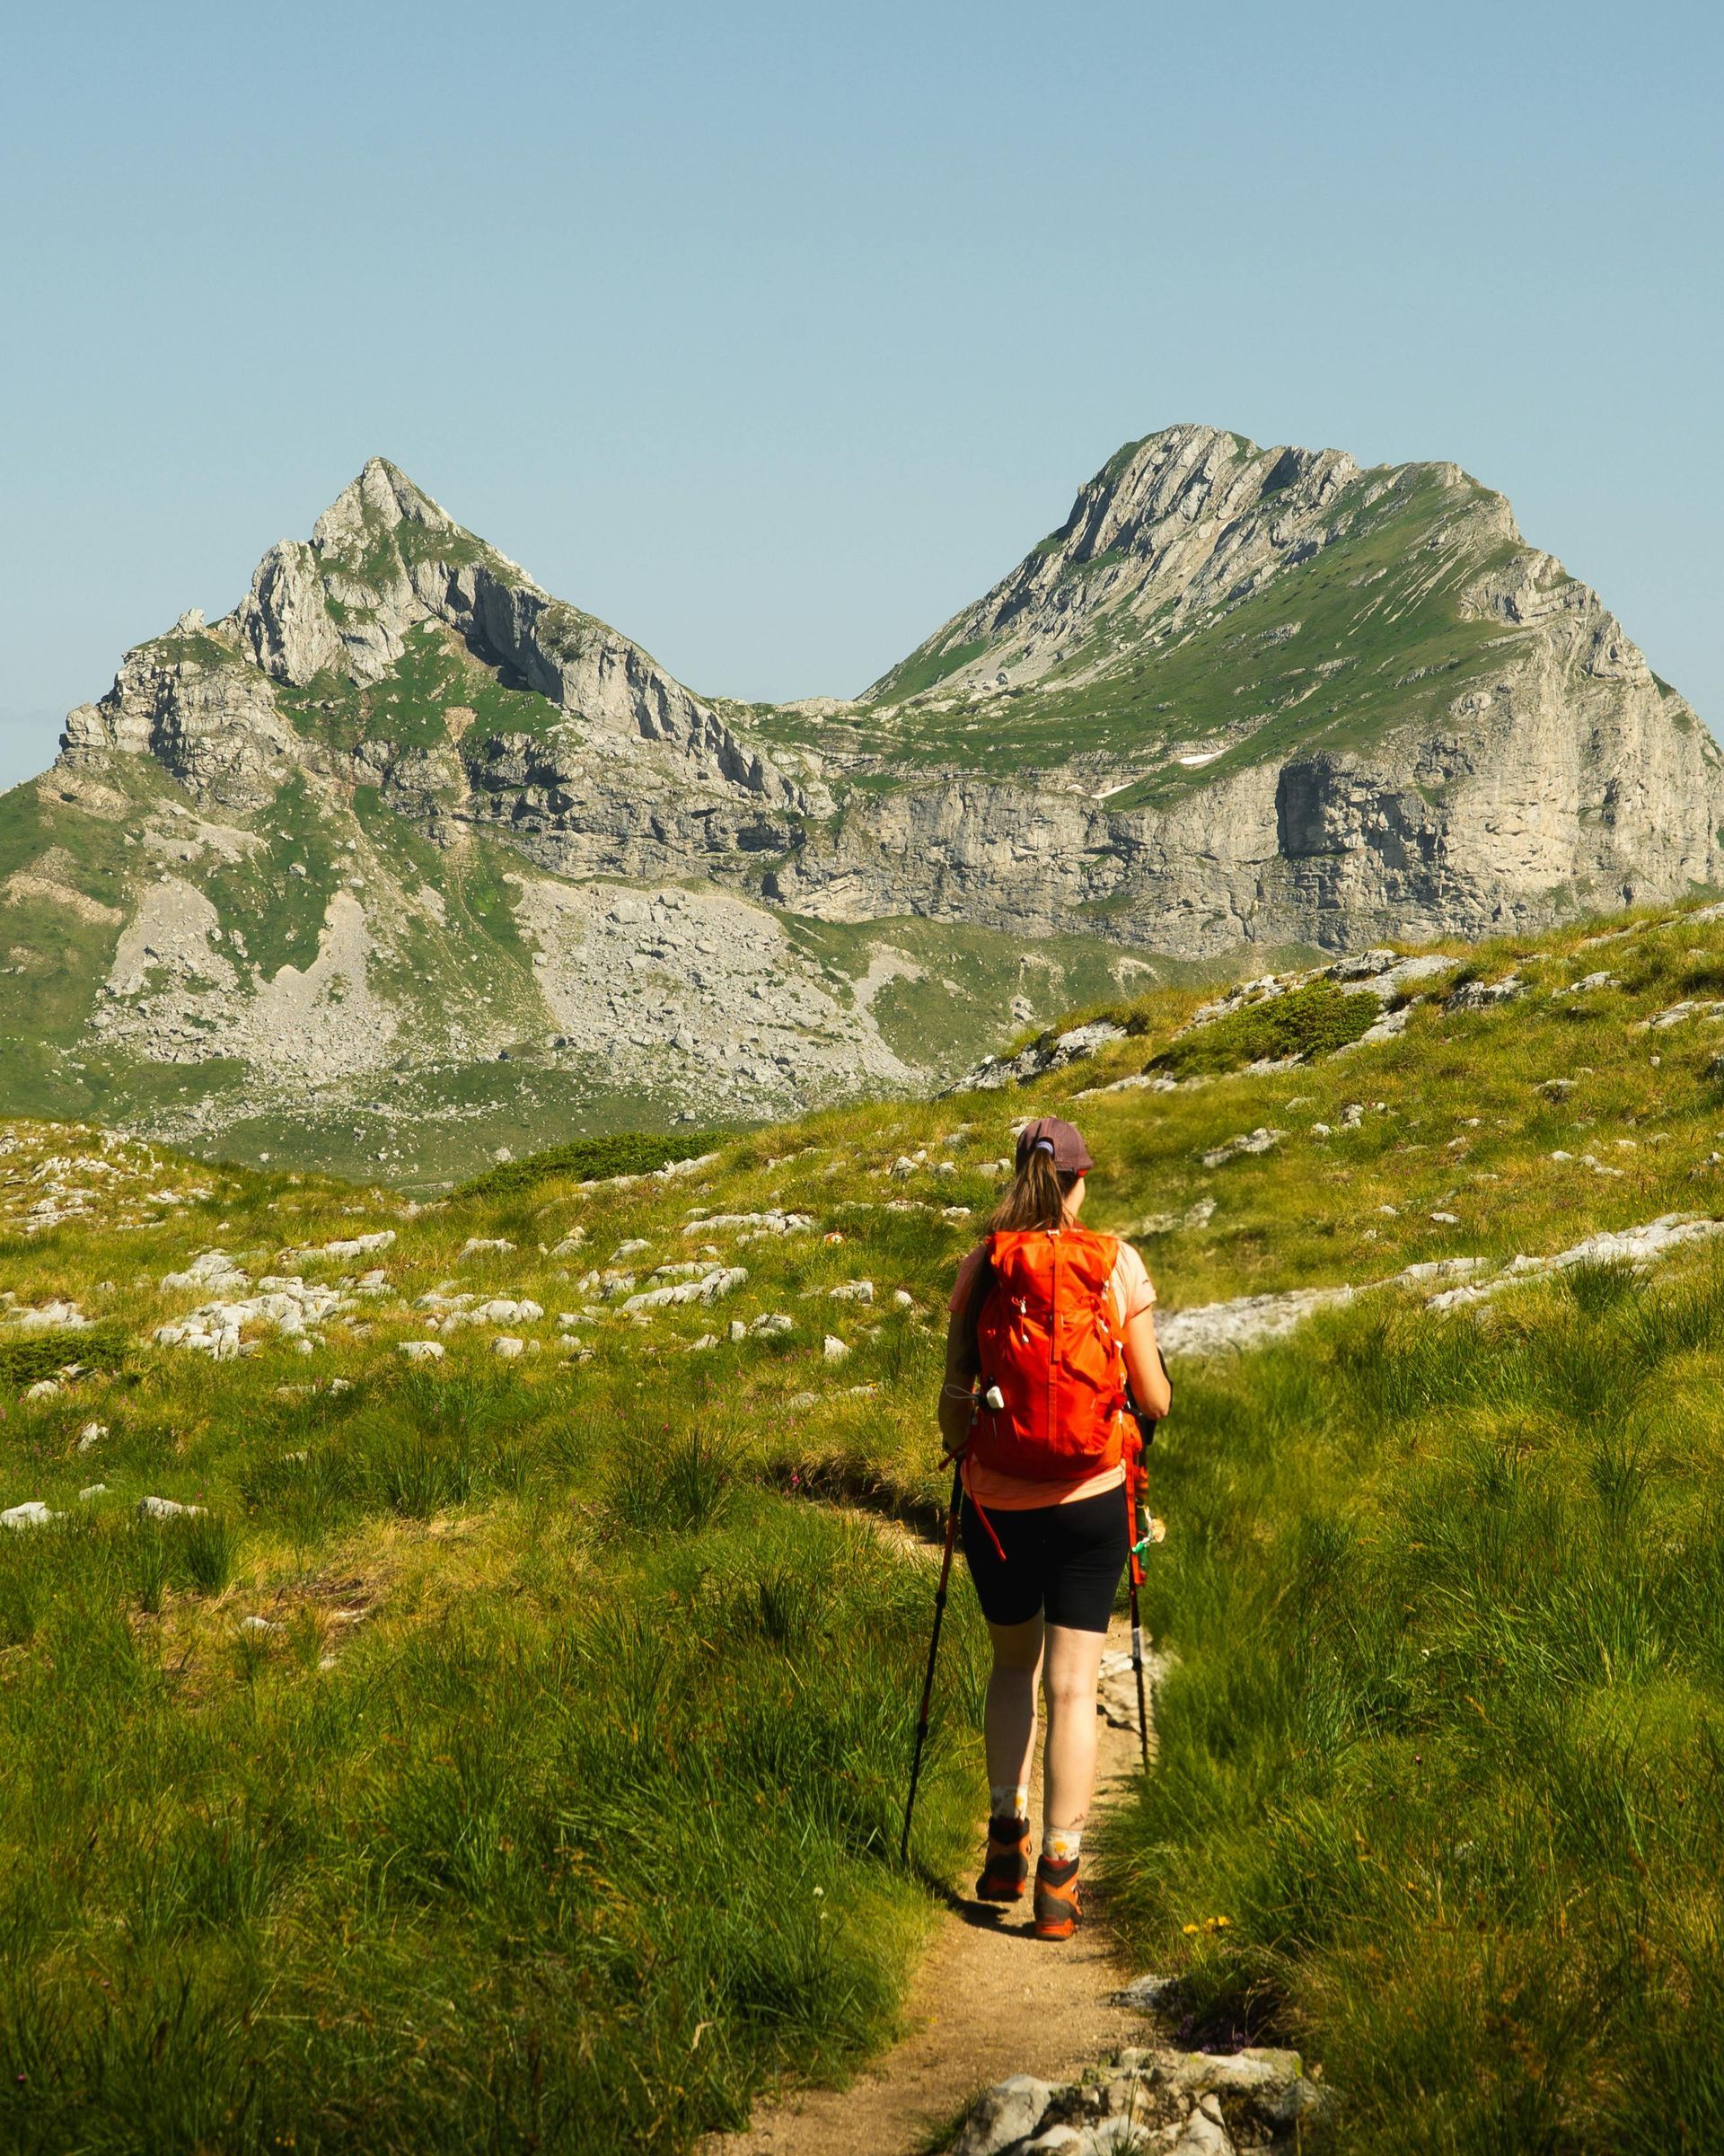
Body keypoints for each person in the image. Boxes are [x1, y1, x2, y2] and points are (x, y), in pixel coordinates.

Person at [937, 1113, 1171, 1940]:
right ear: (1078, 1181)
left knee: (1013, 1667)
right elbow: (1154, 1398)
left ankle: (1005, 1836)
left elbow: (951, 1410)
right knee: (1074, 1685)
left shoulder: (985, 1264)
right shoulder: (1117, 1262)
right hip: (1092, 1498)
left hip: (999, 1506)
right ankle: (1060, 1880)